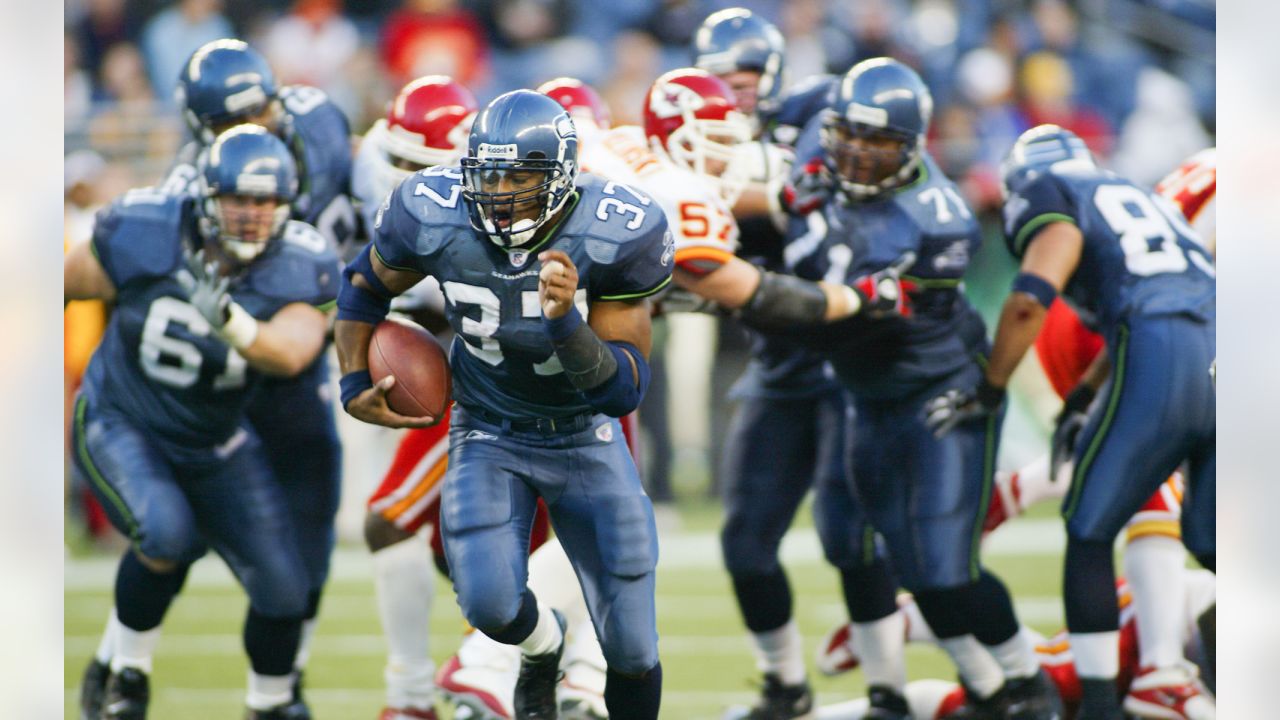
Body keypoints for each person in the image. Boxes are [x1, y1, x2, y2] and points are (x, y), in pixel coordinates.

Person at [335, 90, 671, 720]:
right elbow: (362, 288)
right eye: (489, 175)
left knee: (630, 644)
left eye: (521, 176)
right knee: (489, 603)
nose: (501, 192)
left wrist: (567, 324)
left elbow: (624, 388)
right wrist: (355, 385)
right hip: (488, 429)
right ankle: (543, 647)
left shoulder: (616, 227)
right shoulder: (434, 211)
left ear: (563, 177)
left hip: (583, 436)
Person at [779, 59, 1063, 719]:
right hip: (865, 394)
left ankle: (1027, 683)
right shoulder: (816, 161)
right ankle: (973, 694)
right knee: (852, 544)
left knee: (941, 569)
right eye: (848, 132)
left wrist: (736, 288)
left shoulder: (935, 220)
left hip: (936, 397)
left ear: (910, 147)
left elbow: (839, 312)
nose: (856, 150)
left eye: (878, 141)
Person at [926, 125, 1214, 719]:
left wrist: (990, 385)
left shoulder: (1047, 186)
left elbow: (1031, 296)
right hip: (1217, 346)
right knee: (1214, 541)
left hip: (1160, 345)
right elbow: (1164, 292)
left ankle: (1104, 707)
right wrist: (1086, 394)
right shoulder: (1129, 191)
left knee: (1087, 528)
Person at [67, 126, 340, 720]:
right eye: (239, 198)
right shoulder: (146, 230)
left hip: (215, 440)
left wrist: (230, 321)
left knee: (284, 589)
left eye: (267, 201)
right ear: (206, 196)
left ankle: (268, 706)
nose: (253, 214)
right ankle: (125, 674)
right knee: (167, 535)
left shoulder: (300, 261)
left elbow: (290, 352)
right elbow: (57, 283)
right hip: (124, 418)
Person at [692, 11, 907, 717]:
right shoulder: (699, 123)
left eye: (745, 76)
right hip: (781, 360)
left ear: (774, 72)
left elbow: (809, 195)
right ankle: (784, 686)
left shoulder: (820, 111)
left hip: (849, 358)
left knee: (852, 538)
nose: (736, 90)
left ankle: (889, 692)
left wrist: (717, 189)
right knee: (746, 542)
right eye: (723, 79)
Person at [350, 73, 476, 720]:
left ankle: (418, 693)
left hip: (484, 388)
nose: (404, 179)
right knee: (440, 540)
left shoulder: (491, 210)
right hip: (451, 379)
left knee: (396, 523)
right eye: (398, 160)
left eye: (420, 168)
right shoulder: (359, 183)